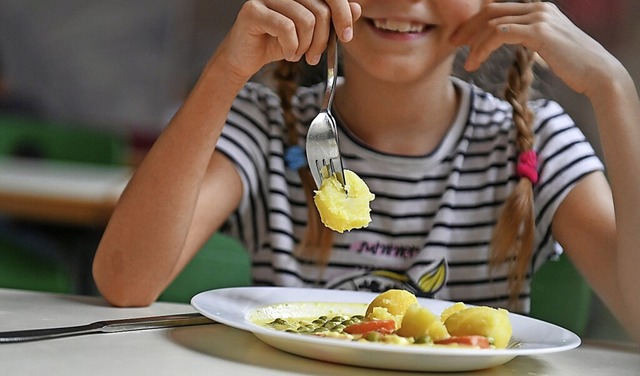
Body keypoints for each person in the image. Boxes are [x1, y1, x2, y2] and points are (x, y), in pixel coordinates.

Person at [92, 0, 640, 342]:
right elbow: (125, 281)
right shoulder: (267, 125)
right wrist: (226, 69)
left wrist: (613, 90)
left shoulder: (537, 138)